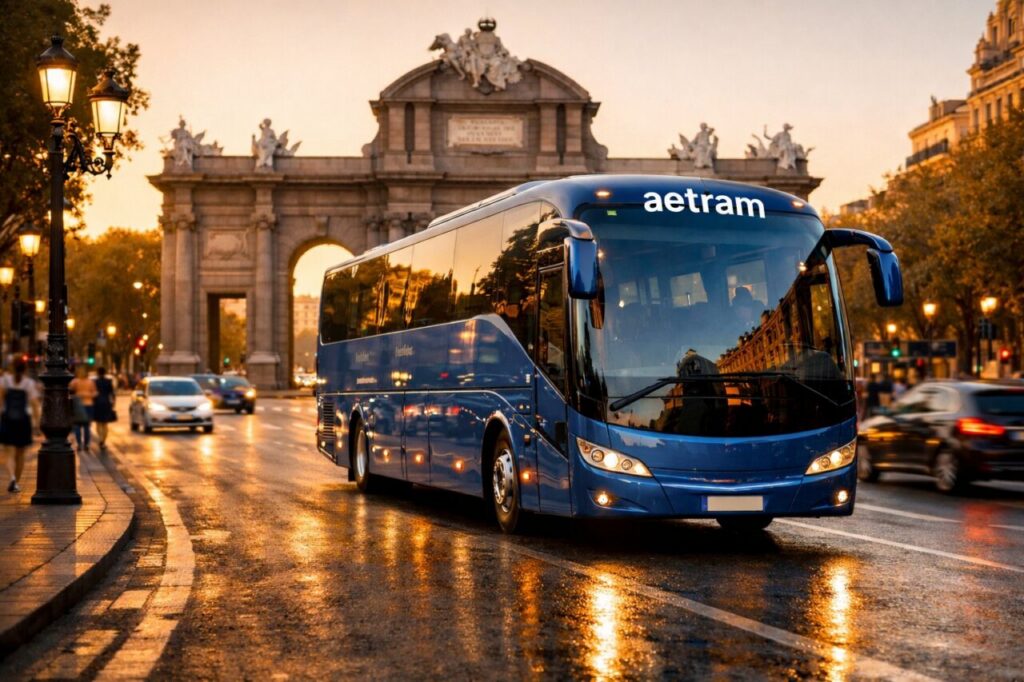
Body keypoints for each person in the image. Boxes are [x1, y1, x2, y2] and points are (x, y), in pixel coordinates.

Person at [2, 358, 41, 493]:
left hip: (8, 419)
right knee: (21, 453)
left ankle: (12, 477)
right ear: (25, 369)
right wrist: (37, 424)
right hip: (24, 420)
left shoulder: (5, 381)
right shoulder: (28, 383)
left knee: (9, 452)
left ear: (12, 368)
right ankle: (16, 483)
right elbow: (35, 404)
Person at [69, 366, 98, 452]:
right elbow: (95, 392)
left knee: (77, 426)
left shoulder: (75, 381)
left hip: (78, 405)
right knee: (87, 427)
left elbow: (70, 389)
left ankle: (79, 444)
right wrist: (88, 395)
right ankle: (86, 445)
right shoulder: (90, 382)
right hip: (89, 405)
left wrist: (78, 394)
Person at [92, 367, 117, 450]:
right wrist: (113, 402)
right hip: (106, 403)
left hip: (97, 403)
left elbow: (93, 393)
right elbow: (112, 393)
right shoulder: (108, 381)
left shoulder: (95, 382)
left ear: (98, 373)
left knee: (98, 423)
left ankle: (100, 438)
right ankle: (103, 440)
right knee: (105, 423)